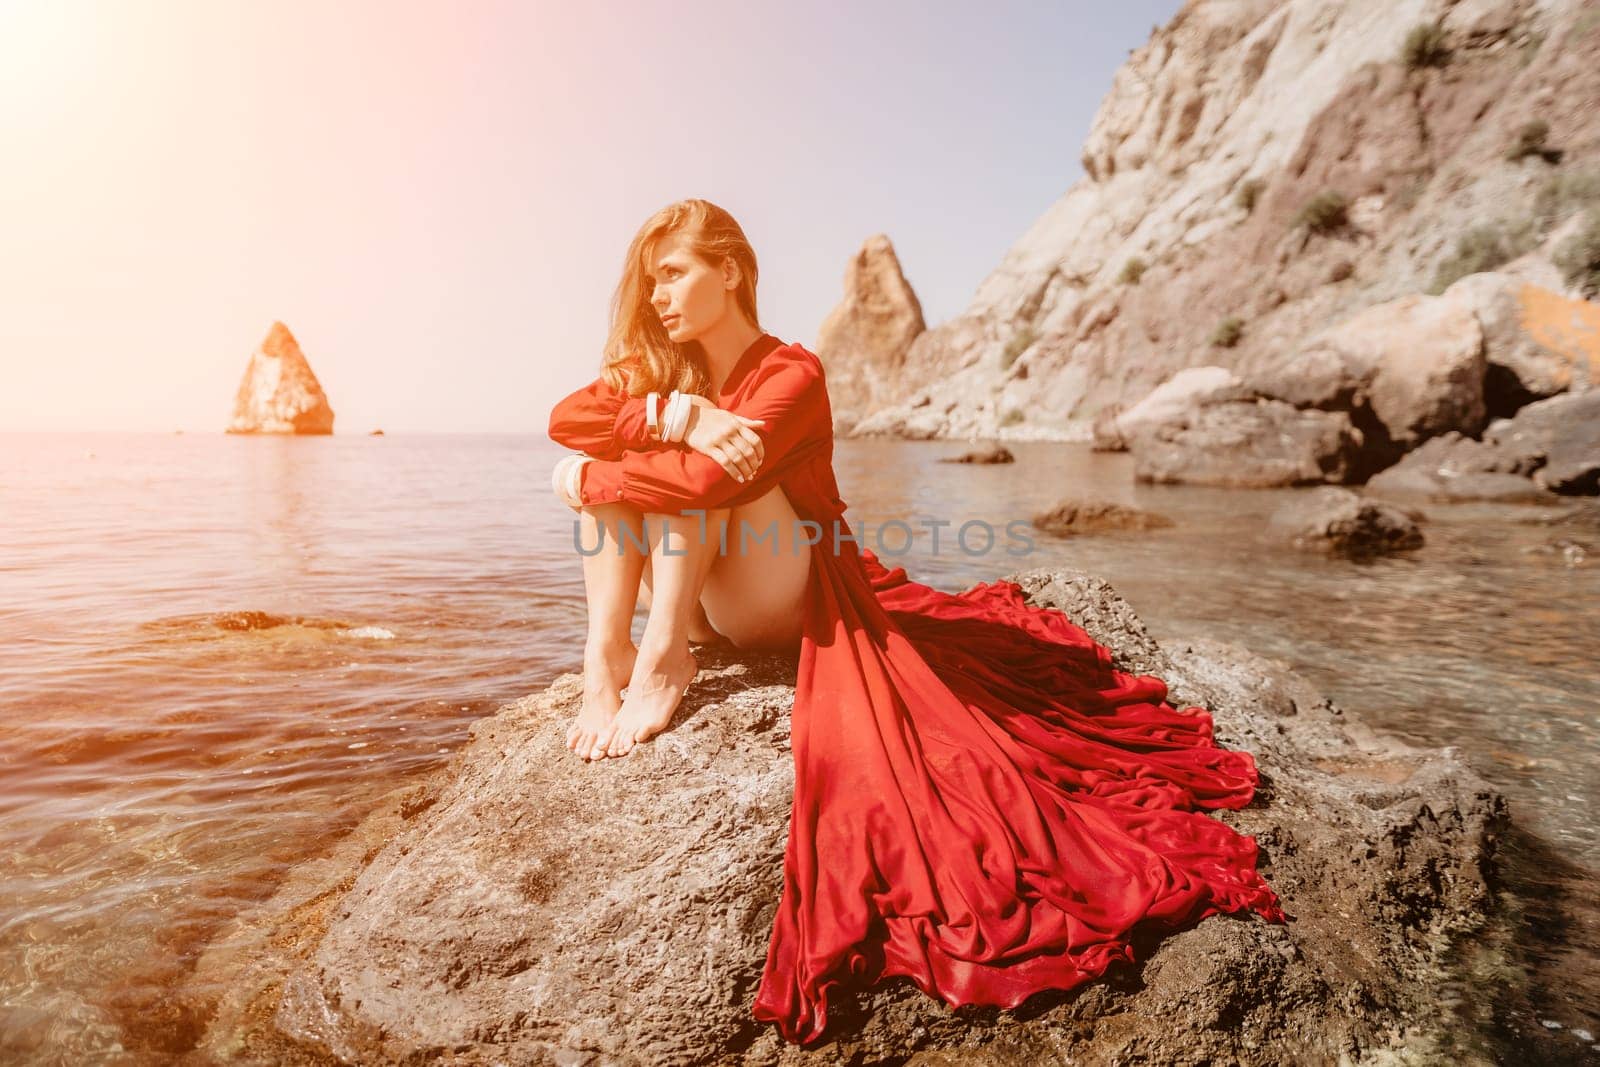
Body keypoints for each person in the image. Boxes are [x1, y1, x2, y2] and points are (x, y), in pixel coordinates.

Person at [546, 198, 1289, 1046]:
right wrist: (676, 414)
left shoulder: (792, 371)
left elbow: (704, 490)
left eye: (673, 274)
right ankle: (605, 658)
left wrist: (583, 478)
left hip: (783, 594)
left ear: (730, 271)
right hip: (709, 580)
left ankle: (663, 658)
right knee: (640, 451)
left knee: (681, 473)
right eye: (651, 283)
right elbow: (565, 416)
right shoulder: (670, 373)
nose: (660, 298)